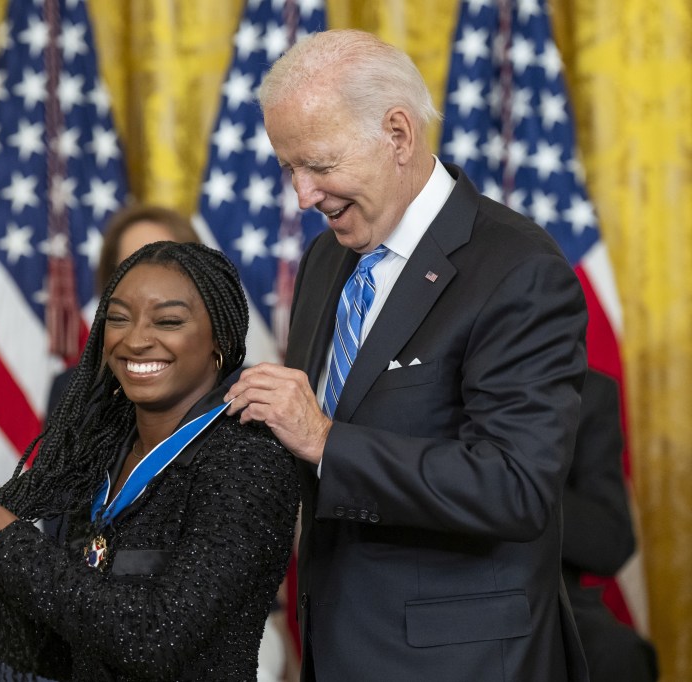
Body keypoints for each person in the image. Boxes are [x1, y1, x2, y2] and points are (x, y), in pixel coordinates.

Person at [224, 30, 590, 681]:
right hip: (338, 650)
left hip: (464, 663)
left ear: (398, 134)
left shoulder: (517, 268)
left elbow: (515, 486)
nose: (303, 196)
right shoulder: (326, 260)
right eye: (288, 169)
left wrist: (326, 439)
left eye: (320, 165)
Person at [0, 242, 300, 681]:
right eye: (119, 318)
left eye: (168, 321)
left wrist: (15, 549)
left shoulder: (247, 459)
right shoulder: (100, 455)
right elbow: (70, 652)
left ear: (219, 339)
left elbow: (159, 639)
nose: (136, 339)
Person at [46, 203, 201, 417]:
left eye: (164, 266)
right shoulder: (73, 391)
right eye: (131, 267)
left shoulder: (244, 392)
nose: (147, 283)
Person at [564, 370, 659, 682]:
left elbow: (612, 542)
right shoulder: (432, 382)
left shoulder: (589, 392)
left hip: (555, 598)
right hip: (440, 586)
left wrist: (521, 483)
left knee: (617, 653)